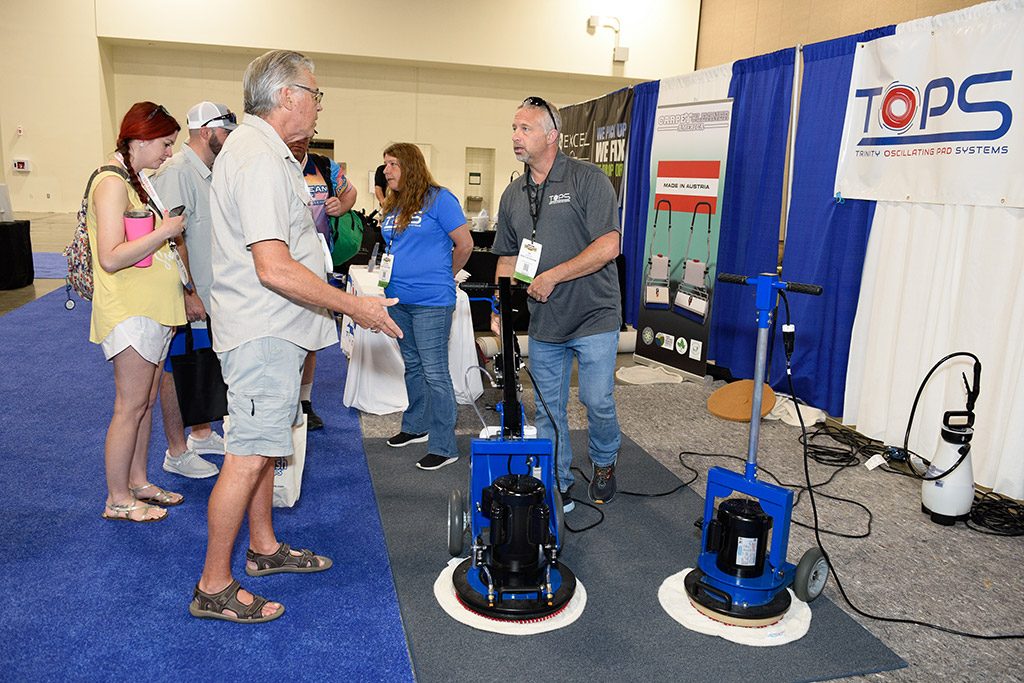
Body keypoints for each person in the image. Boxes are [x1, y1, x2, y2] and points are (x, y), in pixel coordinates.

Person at [190, 49, 401, 624]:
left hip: (271, 330)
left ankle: (262, 548)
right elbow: (273, 267)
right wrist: (355, 307)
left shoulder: (266, 151)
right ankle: (213, 585)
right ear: (287, 96)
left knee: (264, 448)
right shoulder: (258, 156)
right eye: (314, 93)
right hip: (262, 330)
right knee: (248, 454)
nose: (318, 105)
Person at [491, 96, 622, 511]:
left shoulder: (588, 179)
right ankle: (557, 481)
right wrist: (498, 308)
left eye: (525, 128)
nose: (516, 136)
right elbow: (508, 258)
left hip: (594, 313)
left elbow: (609, 245)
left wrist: (554, 275)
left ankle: (604, 460)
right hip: (545, 320)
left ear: (552, 136)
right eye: (514, 128)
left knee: (596, 400)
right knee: (548, 411)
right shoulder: (513, 194)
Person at [88, 102, 187, 522]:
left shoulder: (137, 180)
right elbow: (111, 256)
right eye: (165, 144)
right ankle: (117, 498)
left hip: (153, 308)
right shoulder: (112, 182)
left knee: (144, 402)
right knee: (129, 406)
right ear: (141, 139)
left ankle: (138, 481)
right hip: (130, 311)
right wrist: (165, 230)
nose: (168, 153)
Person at [151, 101, 238, 478]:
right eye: (226, 133)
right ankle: (176, 451)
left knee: (201, 362)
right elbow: (169, 240)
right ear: (207, 132)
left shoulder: (209, 172)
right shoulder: (177, 173)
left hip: (206, 292)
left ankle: (200, 433)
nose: (230, 140)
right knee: (175, 369)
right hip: (183, 294)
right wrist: (187, 292)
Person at [380, 143, 473, 470]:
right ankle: (415, 426)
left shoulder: (440, 199)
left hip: (431, 301)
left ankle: (444, 446)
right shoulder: (394, 202)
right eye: (385, 164)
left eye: (393, 164)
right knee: (413, 365)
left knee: (435, 371)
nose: (386, 170)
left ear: (410, 166)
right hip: (398, 298)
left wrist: (444, 275)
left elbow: (465, 244)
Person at [286, 135, 358, 431]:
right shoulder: (272, 163)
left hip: (318, 262)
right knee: (284, 334)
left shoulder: (323, 167)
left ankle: (304, 400)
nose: (299, 143)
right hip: (281, 261)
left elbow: (350, 192)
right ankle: (284, 400)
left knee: (311, 336)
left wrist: (341, 206)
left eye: (305, 138)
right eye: (294, 138)